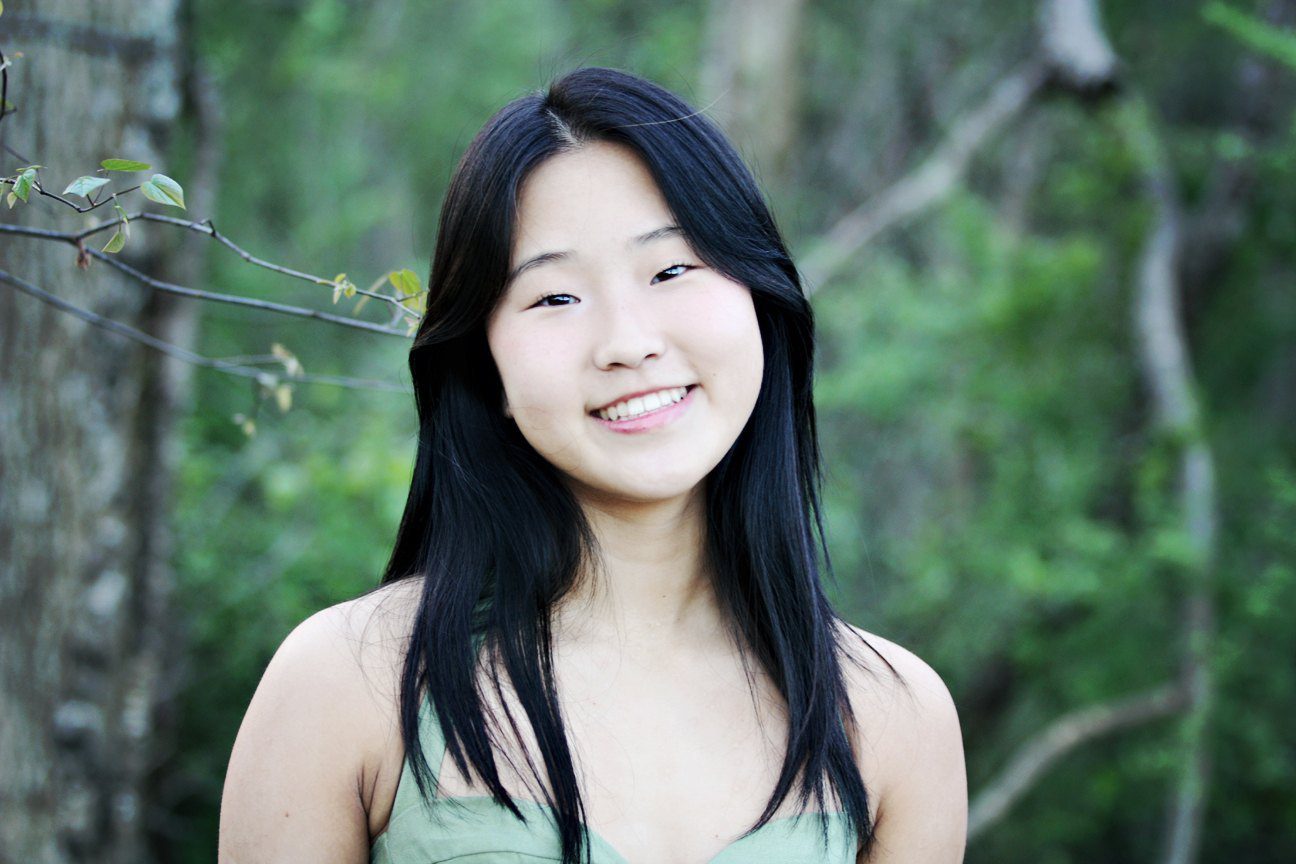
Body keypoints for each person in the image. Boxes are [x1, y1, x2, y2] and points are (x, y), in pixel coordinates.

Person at [218, 66, 967, 864]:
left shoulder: (892, 716)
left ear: (759, 297)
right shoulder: (347, 684)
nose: (627, 342)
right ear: (486, 369)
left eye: (672, 270)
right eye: (555, 298)